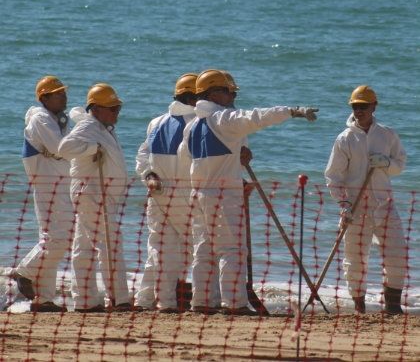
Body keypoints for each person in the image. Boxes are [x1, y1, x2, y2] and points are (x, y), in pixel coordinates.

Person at [181, 69, 318, 315]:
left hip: (199, 193)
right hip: (224, 194)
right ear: (214, 93)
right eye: (229, 91)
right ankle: (235, 304)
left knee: (204, 251)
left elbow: (188, 157)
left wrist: (235, 155)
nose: (233, 96)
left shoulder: (192, 126)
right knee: (232, 249)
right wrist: (292, 111)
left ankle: (202, 302)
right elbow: (255, 117)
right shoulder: (224, 119)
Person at [325, 85, 407, 315]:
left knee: (397, 253)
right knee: (354, 259)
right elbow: (333, 176)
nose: (358, 110)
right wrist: (344, 205)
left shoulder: (387, 134)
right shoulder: (345, 139)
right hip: (356, 208)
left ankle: (392, 306)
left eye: (363, 106)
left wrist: (386, 163)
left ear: (374, 106)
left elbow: (400, 164)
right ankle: (359, 307)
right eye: (355, 106)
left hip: (385, 205)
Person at [58, 83, 130, 312]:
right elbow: (64, 147)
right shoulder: (90, 126)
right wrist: (92, 149)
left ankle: (85, 300)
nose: (116, 113)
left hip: (95, 193)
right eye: (112, 109)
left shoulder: (102, 126)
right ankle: (119, 300)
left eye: (117, 108)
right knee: (110, 242)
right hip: (91, 192)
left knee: (85, 247)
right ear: (96, 109)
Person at [134, 73, 198, 313]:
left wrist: (148, 176)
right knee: (201, 249)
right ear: (193, 97)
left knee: (159, 248)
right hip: (186, 194)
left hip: (158, 192)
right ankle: (184, 302)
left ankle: (146, 300)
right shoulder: (197, 124)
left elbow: (142, 155)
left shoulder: (156, 122)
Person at [11, 76, 73, 312]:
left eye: (63, 92)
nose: (63, 96)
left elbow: (63, 150)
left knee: (51, 239)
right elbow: (62, 148)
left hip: (60, 183)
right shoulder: (41, 119)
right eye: (58, 93)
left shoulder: (58, 120)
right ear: (44, 98)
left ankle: (44, 298)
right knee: (61, 238)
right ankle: (25, 271)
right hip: (49, 185)